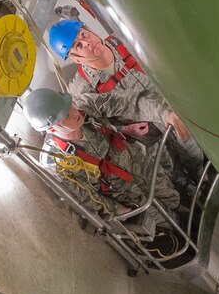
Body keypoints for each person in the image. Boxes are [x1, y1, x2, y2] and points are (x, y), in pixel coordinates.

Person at [48, 19, 204, 184]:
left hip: (170, 112)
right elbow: (95, 126)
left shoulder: (125, 40)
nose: (87, 43)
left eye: (84, 35)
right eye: (78, 46)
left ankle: (205, 180)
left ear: (90, 30)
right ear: (76, 60)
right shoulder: (83, 89)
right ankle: (193, 193)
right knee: (172, 172)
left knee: (194, 153)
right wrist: (123, 130)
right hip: (145, 136)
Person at [22, 88, 180, 229]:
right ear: (51, 128)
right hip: (129, 195)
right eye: (66, 117)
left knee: (172, 198)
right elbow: (89, 199)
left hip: (142, 165)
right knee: (167, 221)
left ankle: (183, 212)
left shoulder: (85, 105)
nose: (75, 112)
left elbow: (128, 102)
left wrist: (163, 113)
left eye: (69, 105)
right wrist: (123, 212)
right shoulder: (55, 161)